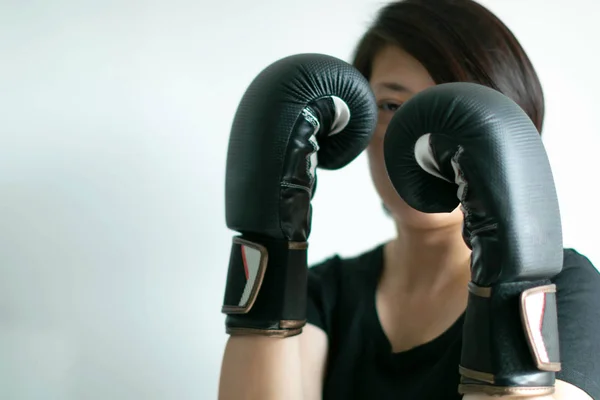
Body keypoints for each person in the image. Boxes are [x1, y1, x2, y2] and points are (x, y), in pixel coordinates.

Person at [218, 0, 600, 399]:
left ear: (508, 132)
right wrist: (271, 238)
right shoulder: (323, 292)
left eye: (457, 116)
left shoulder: (563, 292)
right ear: (353, 122)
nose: (422, 144)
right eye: (392, 106)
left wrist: (510, 279)